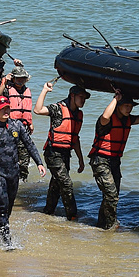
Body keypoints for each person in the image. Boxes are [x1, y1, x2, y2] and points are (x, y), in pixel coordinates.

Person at [0, 96, 46, 245]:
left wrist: (39, 162)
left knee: (9, 207)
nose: (6, 111)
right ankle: (6, 241)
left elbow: (29, 144)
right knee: (2, 205)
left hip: (13, 172)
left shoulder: (16, 125)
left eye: (7, 108)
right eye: (2, 108)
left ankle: (0, 231)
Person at [86, 91, 139, 230]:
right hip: (101, 160)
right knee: (111, 194)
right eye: (125, 105)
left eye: (130, 106)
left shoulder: (128, 120)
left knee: (111, 196)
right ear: (118, 106)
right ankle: (111, 225)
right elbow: (105, 116)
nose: (129, 108)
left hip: (115, 161)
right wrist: (115, 98)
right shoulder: (106, 121)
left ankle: (102, 225)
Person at [34, 81, 89, 221]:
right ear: (72, 96)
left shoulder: (78, 114)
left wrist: (81, 160)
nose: (83, 100)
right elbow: (38, 110)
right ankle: (72, 216)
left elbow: (75, 139)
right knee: (66, 183)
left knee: (56, 185)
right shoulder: (58, 108)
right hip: (53, 153)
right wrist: (45, 90)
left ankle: (48, 212)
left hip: (66, 154)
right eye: (81, 97)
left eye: (85, 98)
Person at [4, 66, 34, 180]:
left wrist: (30, 123)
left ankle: (23, 179)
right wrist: (4, 81)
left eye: (23, 79)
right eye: (18, 79)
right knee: (9, 154)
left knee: (25, 156)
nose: (20, 81)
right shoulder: (7, 90)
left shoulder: (27, 91)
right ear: (13, 79)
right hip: (10, 127)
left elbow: (28, 108)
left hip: (24, 127)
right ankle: (9, 176)